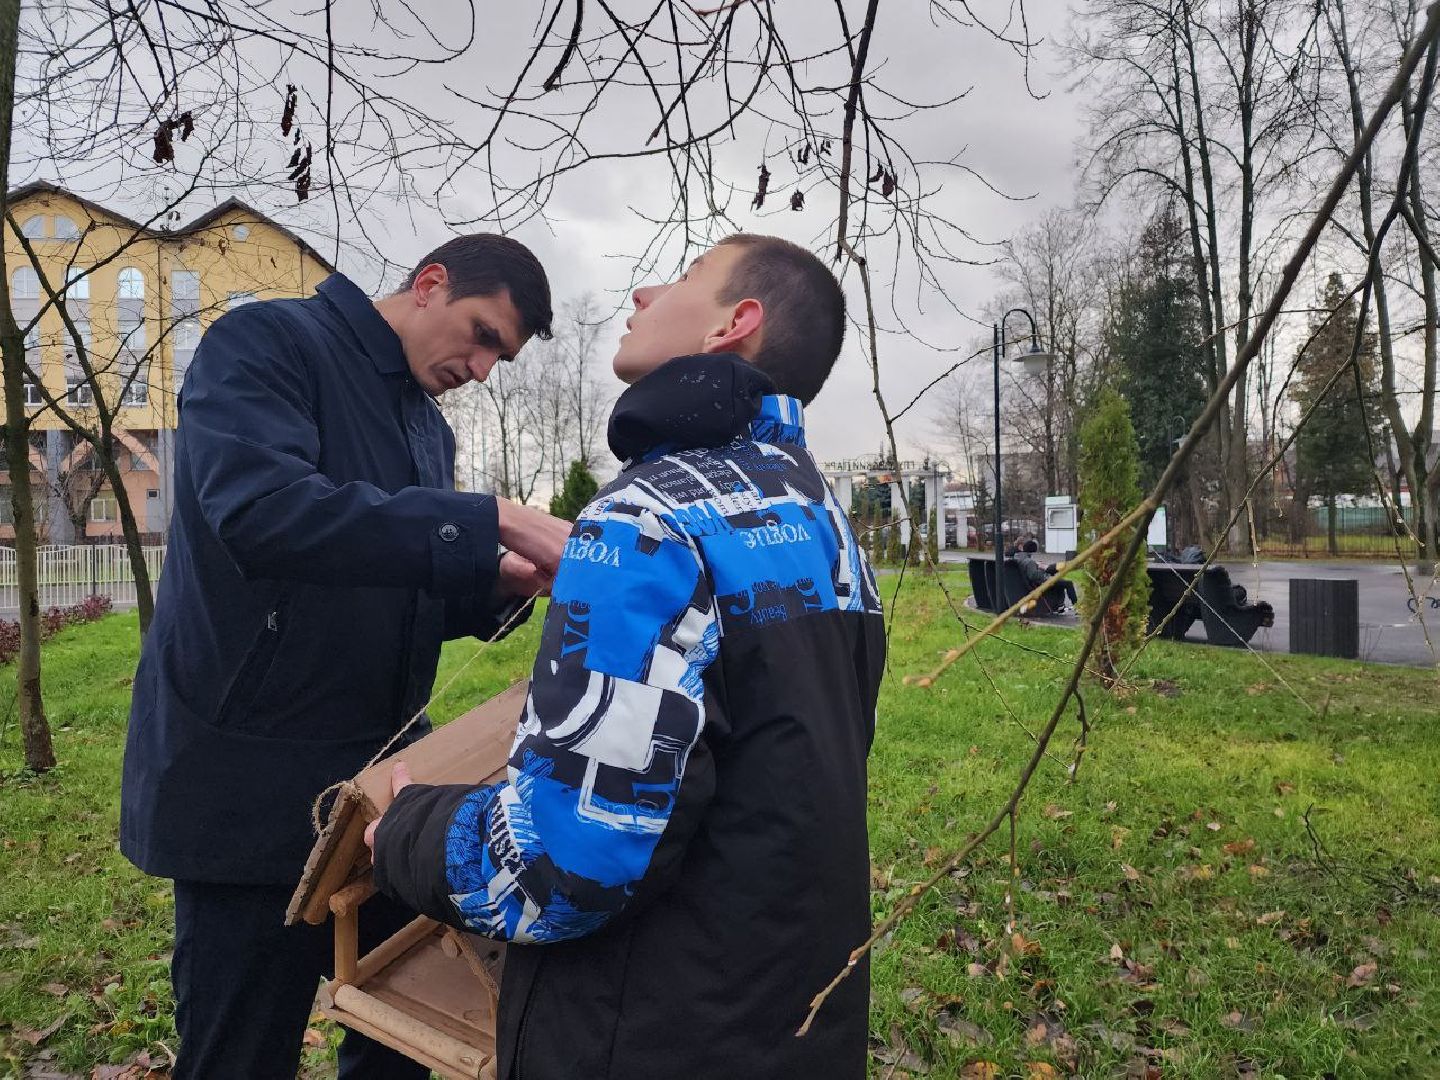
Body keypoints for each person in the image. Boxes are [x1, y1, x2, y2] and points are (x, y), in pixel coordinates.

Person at [369, 233, 886, 1079]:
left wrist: (409, 831)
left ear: (734, 323)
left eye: (684, 277)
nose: (645, 293)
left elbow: (560, 868)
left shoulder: (650, 518)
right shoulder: (822, 520)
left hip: (645, 1033)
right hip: (792, 1020)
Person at [119, 235, 573, 1080]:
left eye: (498, 358)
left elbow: (395, 593)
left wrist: (501, 582)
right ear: (429, 283)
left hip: (383, 798)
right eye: (481, 336)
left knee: (406, 1036)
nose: (481, 370)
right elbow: (265, 514)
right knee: (239, 1050)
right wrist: (493, 519)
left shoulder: (425, 430)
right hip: (250, 789)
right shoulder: (267, 345)